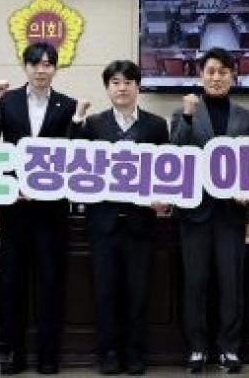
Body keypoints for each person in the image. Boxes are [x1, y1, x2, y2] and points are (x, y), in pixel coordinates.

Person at [0, 42, 77, 375]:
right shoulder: (7, 101)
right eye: (35, 64)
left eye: (48, 64)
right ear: (25, 67)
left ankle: (48, 354)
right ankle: (13, 352)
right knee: (12, 282)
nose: (41, 70)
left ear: (55, 68)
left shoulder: (68, 105)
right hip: (15, 208)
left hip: (52, 210)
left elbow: (72, 155)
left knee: (50, 282)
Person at [70, 60, 169, 375]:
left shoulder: (156, 126)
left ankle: (135, 354)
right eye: (115, 82)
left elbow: (167, 171)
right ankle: (109, 353)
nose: (122, 88)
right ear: (107, 88)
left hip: (141, 224)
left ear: (138, 87)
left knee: (138, 294)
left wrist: (164, 201)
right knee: (105, 293)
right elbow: (75, 162)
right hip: (104, 224)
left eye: (128, 82)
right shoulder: (93, 124)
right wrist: (77, 119)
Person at [170, 47, 249, 374]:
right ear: (201, 75)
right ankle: (197, 348)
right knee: (195, 283)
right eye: (210, 71)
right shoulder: (183, 112)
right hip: (194, 213)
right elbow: (174, 156)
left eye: (223, 72)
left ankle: (228, 349)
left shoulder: (247, 117)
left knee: (230, 284)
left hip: (231, 215)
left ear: (233, 76)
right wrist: (187, 117)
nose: (216, 77)